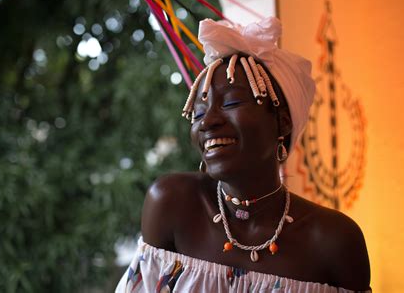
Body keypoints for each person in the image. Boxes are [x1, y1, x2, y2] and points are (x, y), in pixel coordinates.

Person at [116, 17, 370, 292]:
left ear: (283, 122)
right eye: (198, 112)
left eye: (232, 102)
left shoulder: (335, 242)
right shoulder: (171, 205)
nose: (207, 121)